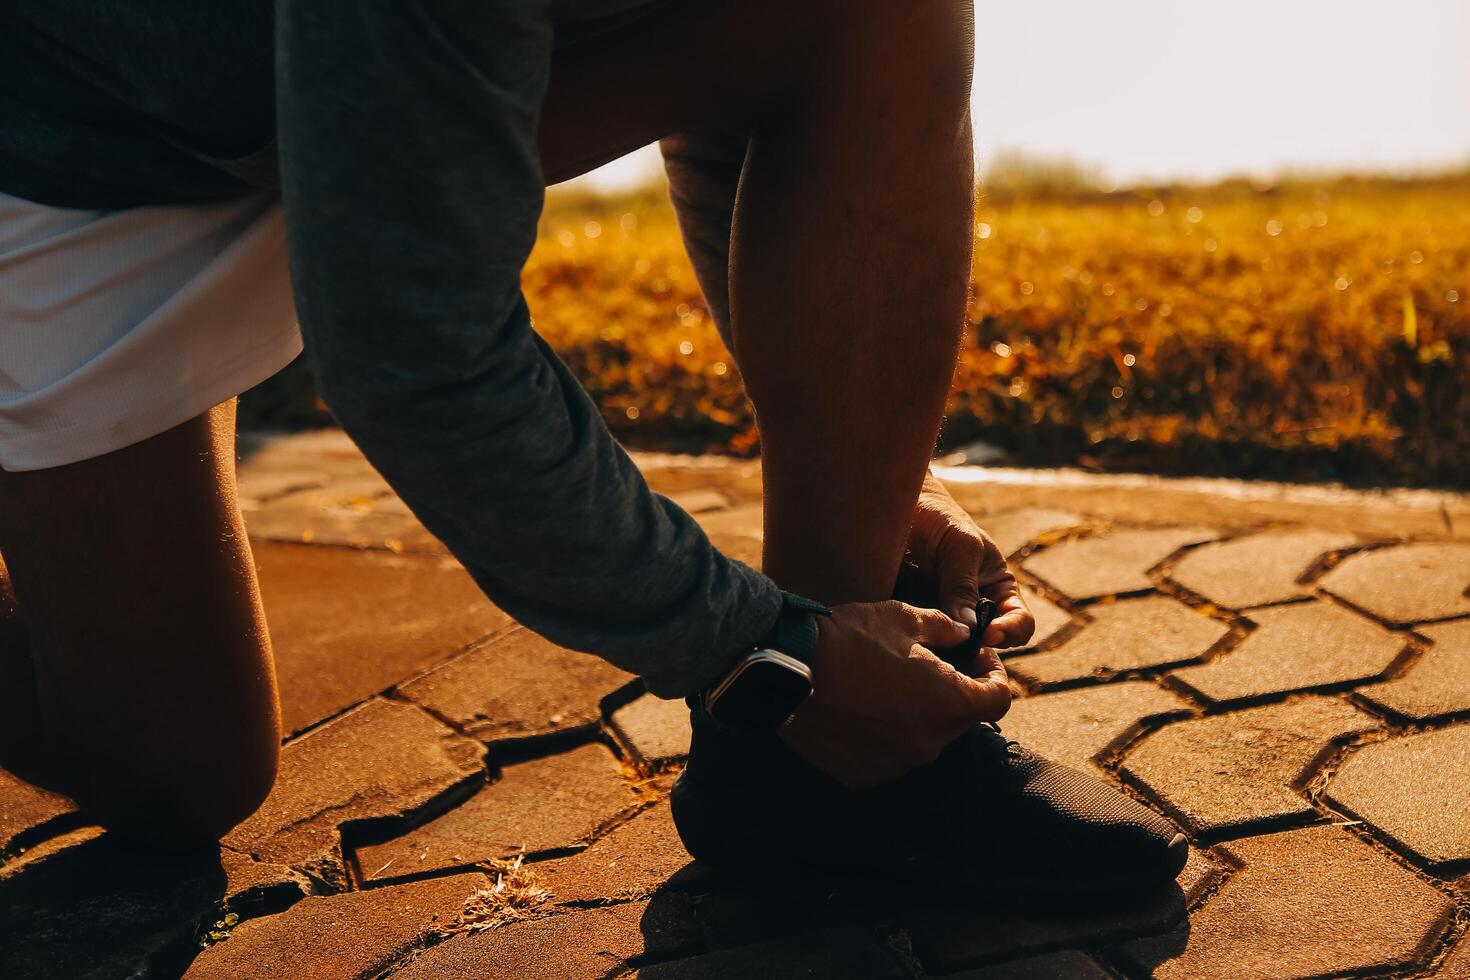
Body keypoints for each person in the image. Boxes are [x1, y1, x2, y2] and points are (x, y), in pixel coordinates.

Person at [0, 0, 1186, 891]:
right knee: (185, 777)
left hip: (310, 97)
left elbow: (746, 79)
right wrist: (757, 655)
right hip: (68, 162)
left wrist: (879, 487)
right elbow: (416, 347)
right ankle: (813, 709)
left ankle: (824, 774)